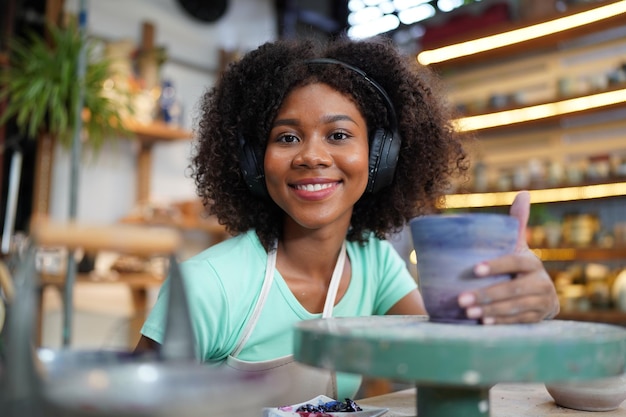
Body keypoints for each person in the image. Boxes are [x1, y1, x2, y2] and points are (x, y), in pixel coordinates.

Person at [136, 35, 559, 403]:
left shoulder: (372, 263)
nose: (311, 156)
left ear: (382, 158)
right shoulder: (208, 287)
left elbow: (452, 362)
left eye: (338, 135)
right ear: (252, 163)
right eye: (287, 137)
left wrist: (529, 307)